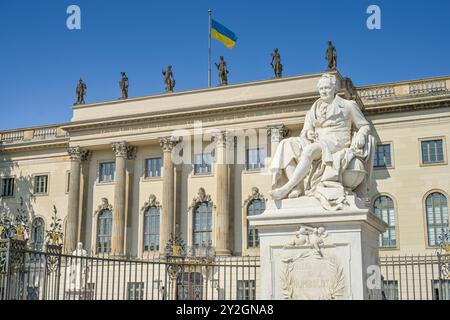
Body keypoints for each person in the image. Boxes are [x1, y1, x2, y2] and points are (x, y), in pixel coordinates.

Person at [269, 73, 372, 210]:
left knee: (309, 150)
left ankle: (286, 188)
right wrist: (308, 133)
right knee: (286, 145)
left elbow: (364, 125)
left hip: (336, 141)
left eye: (327, 88)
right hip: (317, 140)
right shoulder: (314, 109)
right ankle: (298, 187)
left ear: (334, 89)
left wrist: (361, 134)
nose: (324, 91)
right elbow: (305, 131)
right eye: (321, 88)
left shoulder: (348, 105)